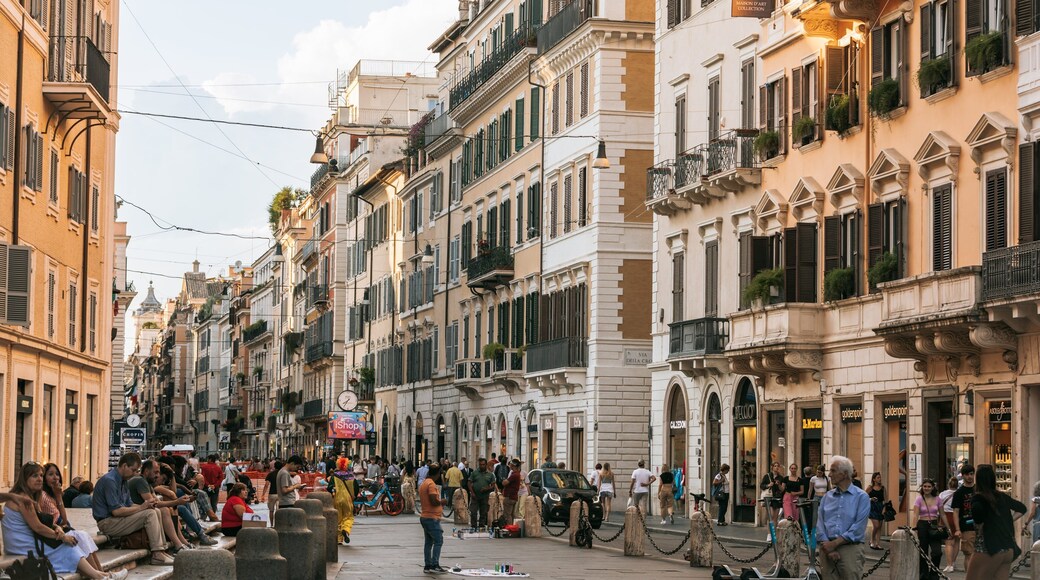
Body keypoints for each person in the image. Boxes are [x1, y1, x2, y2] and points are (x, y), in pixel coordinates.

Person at [1, 464, 126, 579]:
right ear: (24, 479)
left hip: (28, 540)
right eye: (34, 476)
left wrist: (57, 527)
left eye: (40, 475)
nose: (39, 479)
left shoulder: (30, 497)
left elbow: (50, 521)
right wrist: (62, 537)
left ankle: (102, 574)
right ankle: (100, 576)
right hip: (22, 545)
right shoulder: (24, 499)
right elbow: (38, 527)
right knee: (67, 547)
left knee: (76, 539)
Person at [93, 452, 175, 566]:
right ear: (124, 466)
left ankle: (162, 550)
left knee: (156, 510)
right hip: (107, 522)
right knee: (149, 514)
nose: (135, 473)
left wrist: (147, 505)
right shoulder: (110, 481)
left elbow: (129, 504)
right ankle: (157, 554)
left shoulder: (124, 481)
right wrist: (142, 507)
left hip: (117, 520)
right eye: (133, 470)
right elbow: (116, 511)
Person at [37, 463, 108, 576]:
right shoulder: (42, 494)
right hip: (53, 533)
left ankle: (102, 573)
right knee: (80, 536)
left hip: (61, 529)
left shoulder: (53, 494)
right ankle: (100, 575)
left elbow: (64, 520)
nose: (55, 477)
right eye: (50, 474)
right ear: (44, 478)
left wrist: (59, 496)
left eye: (57, 474)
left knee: (83, 535)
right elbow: (41, 519)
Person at [965, 464, 1027, 580]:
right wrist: (1007, 520)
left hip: (988, 548)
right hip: (1008, 548)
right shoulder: (1001, 496)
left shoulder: (978, 498)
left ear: (978, 479)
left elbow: (978, 518)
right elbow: (1022, 508)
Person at [815, 456, 870, 580]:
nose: (829, 475)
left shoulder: (862, 497)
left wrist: (834, 544)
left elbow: (858, 528)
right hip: (826, 548)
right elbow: (819, 523)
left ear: (845, 474)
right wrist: (828, 547)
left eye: (833, 471)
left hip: (850, 549)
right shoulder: (827, 497)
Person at [126, 460, 193, 552]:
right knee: (164, 510)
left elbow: (156, 501)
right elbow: (154, 503)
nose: (157, 475)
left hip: (140, 511)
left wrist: (176, 502)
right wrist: (177, 502)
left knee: (166, 509)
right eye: (155, 472)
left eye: (158, 472)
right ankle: (178, 544)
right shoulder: (140, 481)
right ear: (146, 471)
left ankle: (179, 542)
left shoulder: (146, 482)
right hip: (133, 512)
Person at [153, 463, 217, 546]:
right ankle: (199, 534)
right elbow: (172, 493)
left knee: (183, 503)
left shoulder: (158, 485)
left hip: (167, 508)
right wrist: (177, 501)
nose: (163, 482)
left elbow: (173, 490)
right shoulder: (152, 485)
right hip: (160, 509)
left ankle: (193, 532)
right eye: (163, 478)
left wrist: (172, 475)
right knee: (181, 506)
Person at [912, 479, 945, 580]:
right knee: (923, 552)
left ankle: (934, 575)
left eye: (929, 486)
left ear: (933, 487)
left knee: (937, 552)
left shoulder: (938, 499)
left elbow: (943, 514)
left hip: (934, 526)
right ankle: (923, 576)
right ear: (922, 487)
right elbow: (915, 514)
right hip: (922, 525)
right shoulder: (919, 499)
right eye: (925, 486)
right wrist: (914, 528)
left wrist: (948, 528)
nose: (926, 488)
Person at [418, 464, 446, 574]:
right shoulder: (431, 485)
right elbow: (434, 501)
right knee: (438, 541)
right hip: (431, 517)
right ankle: (435, 564)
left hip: (425, 516)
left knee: (428, 542)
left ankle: (427, 565)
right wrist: (442, 501)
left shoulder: (424, 483)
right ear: (438, 473)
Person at [951, 464, 977, 571]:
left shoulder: (979, 490)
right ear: (963, 476)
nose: (970, 477)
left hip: (981, 525)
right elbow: (955, 512)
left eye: (971, 474)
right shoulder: (959, 493)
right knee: (969, 553)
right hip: (966, 526)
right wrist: (957, 529)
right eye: (967, 474)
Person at [328, 457, 355, 544]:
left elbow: (329, 487)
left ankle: (339, 539)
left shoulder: (334, 476)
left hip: (337, 499)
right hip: (348, 499)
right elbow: (356, 488)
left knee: (338, 519)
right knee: (348, 516)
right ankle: (345, 529)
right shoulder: (351, 476)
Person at [939, 476, 961, 573]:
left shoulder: (943, 494)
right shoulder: (960, 494)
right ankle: (954, 562)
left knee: (948, 542)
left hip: (946, 517)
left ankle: (949, 564)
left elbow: (938, 506)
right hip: (957, 517)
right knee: (956, 541)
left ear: (949, 484)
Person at [467, 458, 495, 529]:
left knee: (483, 512)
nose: (482, 466)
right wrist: (472, 492)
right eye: (480, 465)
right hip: (475, 496)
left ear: (486, 465)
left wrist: (487, 489)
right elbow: (469, 483)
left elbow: (493, 486)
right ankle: (473, 526)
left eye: (483, 465)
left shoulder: (490, 475)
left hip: (484, 496)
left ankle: (481, 526)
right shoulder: (474, 473)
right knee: (473, 512)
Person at [499, 459, 522, 526]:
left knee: (507, 514)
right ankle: (511, 527)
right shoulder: (516, 474)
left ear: (513, 465)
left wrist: (503, 480)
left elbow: (505, 483)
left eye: (511, 464)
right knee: (511, 514)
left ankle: (508, 528)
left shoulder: (515, 475)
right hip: (513, 497)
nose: (509, 465)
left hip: (509, 497)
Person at [761, 462, 784, 526]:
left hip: (777, 498)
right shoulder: (767, 476)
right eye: (775, 466)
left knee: (775, 518)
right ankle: (769, 534)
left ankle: (774, 533)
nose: (777, 467)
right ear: (772, 467)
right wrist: (768, 485)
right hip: (769, 497)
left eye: (778, 466)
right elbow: (761, 486)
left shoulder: (781, 477)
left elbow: (782, 489)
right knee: (770, 517)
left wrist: (779, 484)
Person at [867, 472, 886, 550]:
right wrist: (870, 499)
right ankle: (872, 540)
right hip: (872, 507)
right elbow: (863, 497)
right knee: (876, 525)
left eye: (880, 477)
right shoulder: (870, 488)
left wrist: (884, 508)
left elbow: (885, 499)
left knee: (879, 527)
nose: (879, 479)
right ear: (874, 479)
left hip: (880, 507)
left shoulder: (883, 488)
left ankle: (878, 543)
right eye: (878, 477)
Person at [1023, 479, 1040, 544]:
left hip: (1038, 525)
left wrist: (1026, 524)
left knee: (1037, 547)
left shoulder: (1035, 499)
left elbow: (1032, 513)